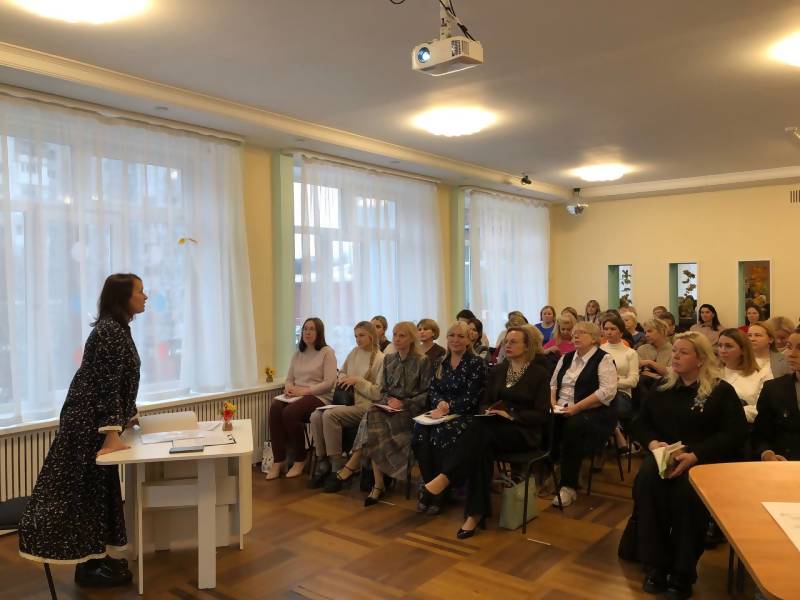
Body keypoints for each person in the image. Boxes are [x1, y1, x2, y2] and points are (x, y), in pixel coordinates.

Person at [18, 273, 147, 587]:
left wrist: (126, 415)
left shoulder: (116, 329)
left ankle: (95, 558)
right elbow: (107, 384)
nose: (145, 296)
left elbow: (118, 380)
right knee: (83, 494)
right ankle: (88, 565)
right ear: (123, 297)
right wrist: (111, 432)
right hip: (87, 425)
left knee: (95, 494)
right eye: (140, 291)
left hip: (92, 422)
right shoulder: (110, 332)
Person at [630, 332, 747, 599]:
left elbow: (735, 434)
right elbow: (640, 423)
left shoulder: (720, 391)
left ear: (700, 359)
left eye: (683, 352)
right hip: (663, 457)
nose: (675, 356)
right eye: (675, 351)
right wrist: (653, 443)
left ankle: (683, 572)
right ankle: (657, 564)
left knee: (687, 499)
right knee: (648, 486)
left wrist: (695, 454)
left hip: (701, 461)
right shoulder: (663, 386)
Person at [418, 326, 550, 538]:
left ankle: (447, 478)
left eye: (514, 342)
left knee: (478, 433)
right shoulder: (498, 371)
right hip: (493, 429)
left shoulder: (539, 374)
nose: (507, 345)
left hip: (522, 431)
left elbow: (542, 414)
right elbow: (484, 403)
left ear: (527, 347)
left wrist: (511, 415)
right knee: (480, 448)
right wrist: (490, 410)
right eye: (506, 341)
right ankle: (474, 514)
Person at [412, 322, 486, 514]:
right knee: (420, 432)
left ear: (469, 340)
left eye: (461, 336)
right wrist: (440, 403)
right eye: (452, 335)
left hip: (465, 415)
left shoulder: (475, 363)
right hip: (441, 412)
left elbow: (473, 396)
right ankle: (429, 484)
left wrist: (449, 406)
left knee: (441, 433)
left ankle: (441, 492)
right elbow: (433, 390)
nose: (455, 340)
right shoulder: (441, 362)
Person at [550, 321, 618, 507]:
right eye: (574, 333)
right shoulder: (566, 358)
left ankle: (568, 486)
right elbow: (553, 384)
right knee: (543, 419)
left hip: (593, 411)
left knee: (574, 426)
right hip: (563, 407)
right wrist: (553, 403)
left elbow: (607, 392)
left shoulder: (603, 359)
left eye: (581, 333)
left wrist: (577, 408)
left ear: (594, 338)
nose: (575, 336)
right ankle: (552, 470)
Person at [308, 321, 384, 488]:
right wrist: (345, 379)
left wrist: (357, 381)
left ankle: (337, 466)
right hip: (347, 402)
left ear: (371, 336)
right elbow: (341, 373)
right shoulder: (354, 352)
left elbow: (378, 393)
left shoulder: (380, 359)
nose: (358, 339)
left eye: (361, 335)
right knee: (315, 415)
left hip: (366, 406)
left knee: (330, 415)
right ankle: (323, 460)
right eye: (356, 336)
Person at [267, 317, 337, 480]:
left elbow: (329, 383)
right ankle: (279, 460)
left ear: (319, 333)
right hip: (297, 395)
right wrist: (289, 388)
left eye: (312, 329)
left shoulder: (327, 352)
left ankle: (300, 458)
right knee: (275, 407)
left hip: (319, 396)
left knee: (290, 413)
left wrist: (304, 391)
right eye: (305, 329)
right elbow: (289, 378)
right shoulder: (298, 354)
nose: (307, 332)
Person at [752, 328, 800, 461]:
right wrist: (767, 454)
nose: (791, 354)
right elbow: (760, 434)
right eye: (789, 347)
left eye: (799, 348)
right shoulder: (773, 388)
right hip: (782, 464)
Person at [601, 315, 640, 450]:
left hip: (621, 394)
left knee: (606, 406)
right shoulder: (599, 350)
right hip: (601, 392)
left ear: (621, 332)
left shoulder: (630, 353)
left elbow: (633, 381)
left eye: (613, 329)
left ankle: (606, 441)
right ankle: (616, 430)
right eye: (606, 329)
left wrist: (613, 383)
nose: (609, 332)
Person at [718, 329, 764, 424]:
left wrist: (732, 412)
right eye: (720, 345)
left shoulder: (759, 376)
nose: (722, 350)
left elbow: (761, 408)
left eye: (728, 346)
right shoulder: (713, 374)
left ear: (743, 350)